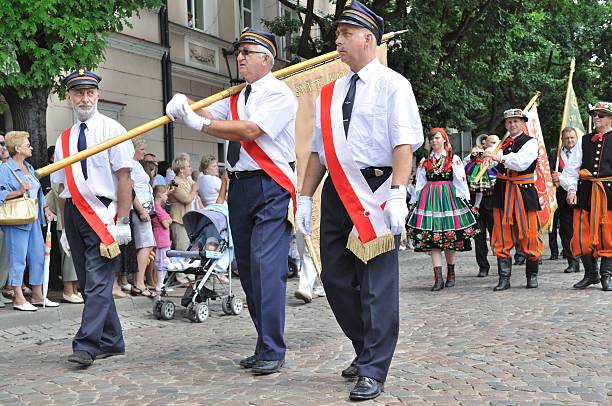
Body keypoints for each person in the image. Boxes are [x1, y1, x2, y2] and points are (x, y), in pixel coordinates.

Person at [295, 1, 423, 400]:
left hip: (379, 190)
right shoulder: (330, 92)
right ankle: (365, 347)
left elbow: (404, 144)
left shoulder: (393, 85)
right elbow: (317, 151)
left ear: (368, 39)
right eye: (337, 34)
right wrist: (305, 198)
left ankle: (373, 368)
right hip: (337, 191)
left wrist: (399, 192)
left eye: (345, 34)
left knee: (375, 286)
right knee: (333, 280)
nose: (338, 41)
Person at [166, 26, 298, 375]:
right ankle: (264, 342)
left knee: (265, 266)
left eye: (247, 52)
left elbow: (250, 130)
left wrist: (198, 123)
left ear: (266, 58)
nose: (239, 56)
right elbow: (213, 115)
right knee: (250, 271)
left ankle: (273, 347)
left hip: (271, 186)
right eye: (238, 51)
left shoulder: (280, 95)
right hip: (240, 188)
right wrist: (186, 108)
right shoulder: (237, 96)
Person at [51, 69, 134, 366]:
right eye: (78, 93)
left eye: (89, 93)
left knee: (99, 282)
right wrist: (63, 226)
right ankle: (112, 340)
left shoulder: (114, 131)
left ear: (97, 95)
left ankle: (86, 345)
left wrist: (123, 221)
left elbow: (125, 179)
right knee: (89, 283)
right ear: (69, 97)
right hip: (74, 213)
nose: (84, 98)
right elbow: (61, 187)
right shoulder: (64, 140)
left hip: (104, 213)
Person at [407, 128, 478, 290]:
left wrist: (464, 199)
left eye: (437, 138)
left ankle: (451, 273)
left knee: (450, 237)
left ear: (444, 139)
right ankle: (438, 278)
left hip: (448, 199)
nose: (434, 141)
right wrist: (415, 202)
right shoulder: (425, 161)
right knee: (433, 237)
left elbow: (460, 180)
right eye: (431, 139)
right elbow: (420, 183)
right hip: (429, 200)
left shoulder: (453, 159)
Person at [483, 108, 544, 290]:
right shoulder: (502, 143)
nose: (512, 124)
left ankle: (531, 275)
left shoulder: (530, 143)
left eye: (516, 121)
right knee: (501, 235)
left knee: (529, 234)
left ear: (522, 123)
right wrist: (486, 157)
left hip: (523, 192)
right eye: (509, 122)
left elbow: (520, 162)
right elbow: (491, 160)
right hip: (503, 191)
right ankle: (504, 278)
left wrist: (498, 157)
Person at [0, 131, 57, 311]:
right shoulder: (4, 169)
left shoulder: (28, 167)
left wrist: (46, 209)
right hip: (16, 219)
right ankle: (18, 297)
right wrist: (17, 192)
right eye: (27, 145)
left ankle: (38, 295)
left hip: (33, 218)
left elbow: (37, 192)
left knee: (38, 255)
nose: (31, 147)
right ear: (17, 148)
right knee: (18, 257)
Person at [561, 101, 612, 291]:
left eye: (601, 115)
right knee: (581, 237)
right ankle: (591, 274)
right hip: (586, 194)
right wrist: (571, 190)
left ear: (610, 118)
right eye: (594, 115)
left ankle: (607, 275)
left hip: (608, 195)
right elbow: (571, 169)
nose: (596, 118)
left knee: (608, 236)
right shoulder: (583, 140)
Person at [464, 134, 499, 277]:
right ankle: (483, 266)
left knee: (497, 236)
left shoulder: (499, 158)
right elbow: (465, 172)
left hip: (492, 202)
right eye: (491, 143)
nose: (493, 146)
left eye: (496, 143)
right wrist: (473, 157)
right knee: (479, 237)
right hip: (476, 205)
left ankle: (502, 264)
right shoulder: (472, 159)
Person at [549, 127, 580, 273]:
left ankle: (588, 259)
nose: (570, 141)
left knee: (580, 230)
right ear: (562, 139)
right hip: (561, 197)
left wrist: (562, 178)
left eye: (572, 138)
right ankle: (572, 262)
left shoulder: (582, 153)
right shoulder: (555, 155)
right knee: (566, 231)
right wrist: (553, 177)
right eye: (567, 138)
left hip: (580, 196)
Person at [130, 139, 156, 297]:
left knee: (143, 245)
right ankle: (139, 283)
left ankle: (137, 282)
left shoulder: (136, 164)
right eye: (141, 149)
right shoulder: (132, 165)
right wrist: (141, 210)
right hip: (140, 210)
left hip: (144, 208)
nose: (143, 152)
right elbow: (131, 189)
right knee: (146, 245)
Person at [151, 185, 172, 293]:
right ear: (159, 195)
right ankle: (159, 285)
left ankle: (161, 283)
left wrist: (169, 219)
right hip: (161, 238)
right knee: (161, 262)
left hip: (164, 238)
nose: (167, 197)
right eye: (165, 194)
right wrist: (169, 219)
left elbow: (169, 220)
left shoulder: (159, 208)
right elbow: (166, 224)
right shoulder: (157, 208)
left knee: (164, 261)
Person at [0, 133, 12, 307]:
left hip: (6, 218)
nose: (3, 146)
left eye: (4, 143)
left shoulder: (7, 167)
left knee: (4, 256)